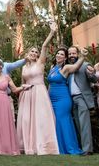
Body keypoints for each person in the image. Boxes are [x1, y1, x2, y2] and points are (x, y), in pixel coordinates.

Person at [17, 25, 59, 155]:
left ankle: (42, 145)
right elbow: (22, 83)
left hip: (39, 92)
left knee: (40, 119)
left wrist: (52, 33)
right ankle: (28, 145)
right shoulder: (23, 68)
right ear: (27, 54)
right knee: (26, 120)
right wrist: (20, 96)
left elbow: (44, 47)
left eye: (36, 52)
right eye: (32, 52)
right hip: (27, 95)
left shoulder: (40, 63)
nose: (34, 54)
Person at [48, 46, 86, 155]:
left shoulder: (66, 68)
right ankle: (58, 147)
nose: (59, 56)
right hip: (52, 99)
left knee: (63, 122)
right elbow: (50, 84)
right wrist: (47, 98)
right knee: (56, 122)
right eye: (58, 53)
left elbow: (76, 66)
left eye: (62, 54)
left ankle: (70, 148)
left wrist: (82, 56)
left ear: (65, 58)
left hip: (63, 99)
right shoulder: (52, 67)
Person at [0, 58, 27, 155]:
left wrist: (23, 87)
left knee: (5, 122)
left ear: (2, 66)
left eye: (0, 65)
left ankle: (6, 147)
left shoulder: (7, 77)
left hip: (4, 101)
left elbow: (14, 89)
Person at [67, 45, 97, 155]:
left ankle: (88, 150)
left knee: (84, 124)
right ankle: (82, 147)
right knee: (78, 125)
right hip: (71, 100)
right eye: (69, 54)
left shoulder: (85, 65)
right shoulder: (68, 68)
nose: (71, 56)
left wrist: (91, 73)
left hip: (82, 98)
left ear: (78, 54)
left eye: (73, 53)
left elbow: (94, 79)